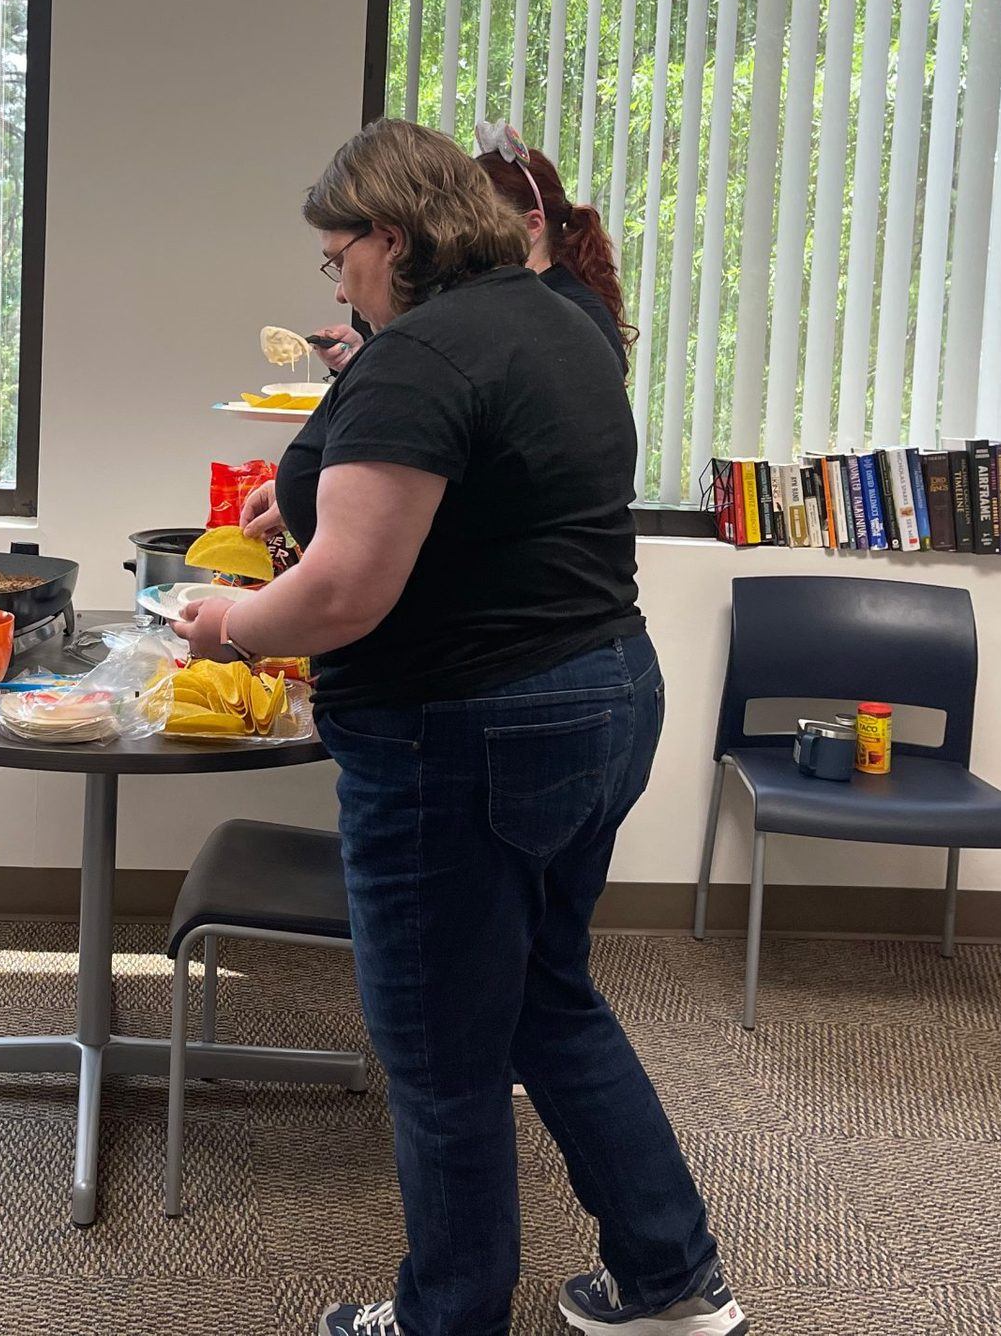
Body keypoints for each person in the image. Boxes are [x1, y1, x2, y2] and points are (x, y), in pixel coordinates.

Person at [174, 119, 740, 1336]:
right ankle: (669, 1278)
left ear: (390, 236)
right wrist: (316, 477)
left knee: (438, 1055)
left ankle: (448, 1319)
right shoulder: (562, 319)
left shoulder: (420, 360)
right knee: (545, 997)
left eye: (337, 258)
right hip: (605, 694)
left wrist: (224, 620)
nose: (334, 283)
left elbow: (340, 596)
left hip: (466, 735)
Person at [475, 121, 635, 368]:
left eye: (481, 216)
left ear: (532, 225)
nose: (465, 229)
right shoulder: (495, 298)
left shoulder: (573, 311)